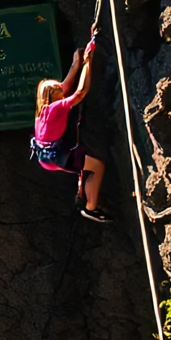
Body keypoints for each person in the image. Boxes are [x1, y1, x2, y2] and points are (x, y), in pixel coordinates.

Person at [32, 37, 111, 223]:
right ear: (53, 96)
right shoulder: (57, 107)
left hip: (46, 157)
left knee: (83, 163)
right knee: (97, 166)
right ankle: (91, 208)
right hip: (57, 156)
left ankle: (82, 190)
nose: (62, 87)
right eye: (57, 89)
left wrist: (77, 62)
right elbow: (80, 92)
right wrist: (87, 64)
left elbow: (65, 86)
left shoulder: (42, 111)